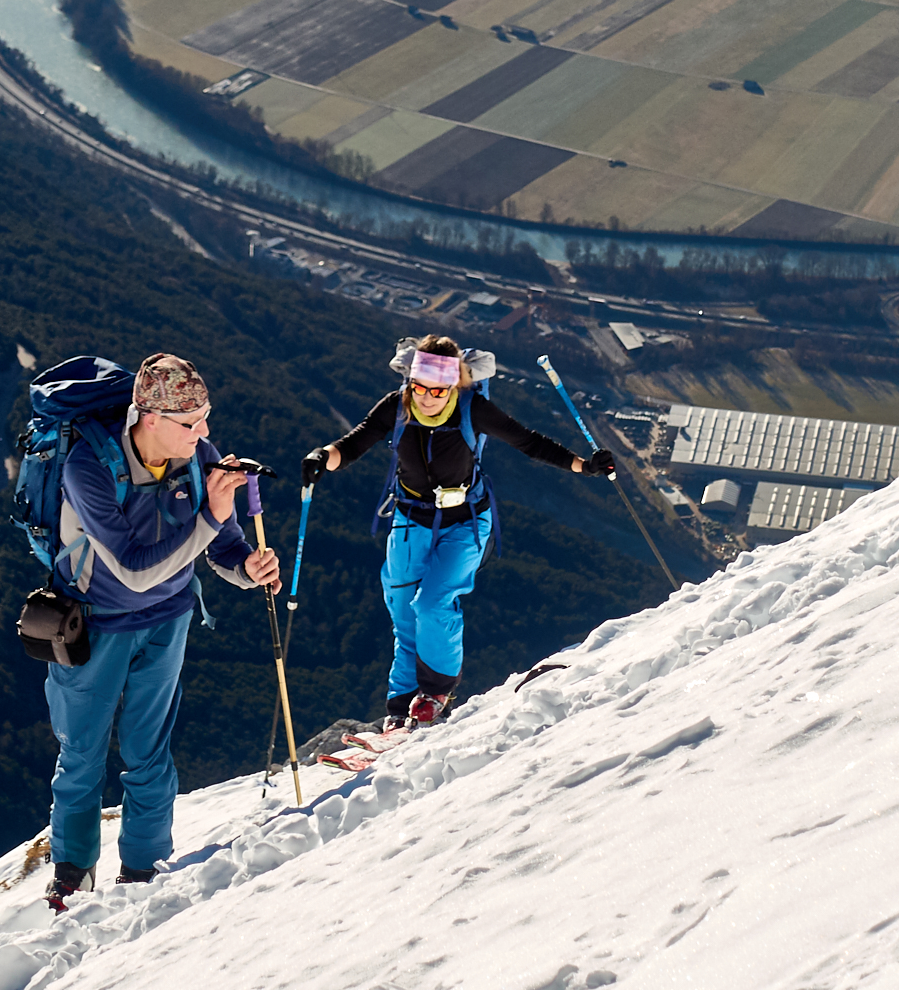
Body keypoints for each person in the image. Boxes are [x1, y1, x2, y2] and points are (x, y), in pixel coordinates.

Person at [43, 353, 279, 909]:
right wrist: (213, 516)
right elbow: (135, 569)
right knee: (82, 752)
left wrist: (246, 569)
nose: (205, 432)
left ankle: (143, 869)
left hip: (167, 620)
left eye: (206, 417)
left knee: (150, 751)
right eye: (191, 422)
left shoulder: (201, 458)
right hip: (94, 622)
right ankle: (72, 871)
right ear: (150, 418)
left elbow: (222, 549)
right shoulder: (88, 467)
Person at [303, 335, 612, 730]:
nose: (428, 398)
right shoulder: (397, 407)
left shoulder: (471, 407)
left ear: (454, 385)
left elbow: (528, 442)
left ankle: (435, 693)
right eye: (420, 387)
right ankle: (401, 705)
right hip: (410, 520)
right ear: (411, 381)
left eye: (437, 389)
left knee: (432, 604)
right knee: (401, 608)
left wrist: (584, 466)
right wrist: (321, 458)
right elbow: (356, 441)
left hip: (465, 522)